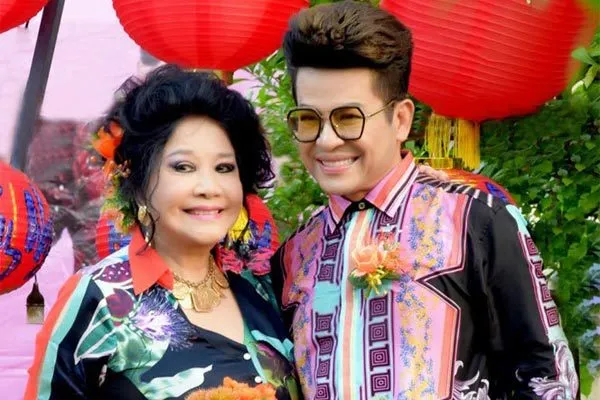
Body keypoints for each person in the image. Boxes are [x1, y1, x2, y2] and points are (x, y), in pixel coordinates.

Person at [271, 1, 578, 399]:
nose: (326, 141)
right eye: (308, 119)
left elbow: (547, 378)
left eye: (348, 118)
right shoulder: (295, 254)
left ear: (400, 119)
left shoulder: (475, 220)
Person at [25, 65, 300, 399]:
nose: (209, 187)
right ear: (139, 182)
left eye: (224, 168)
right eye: (183, 167)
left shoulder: (261, 290)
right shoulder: (101, 299)